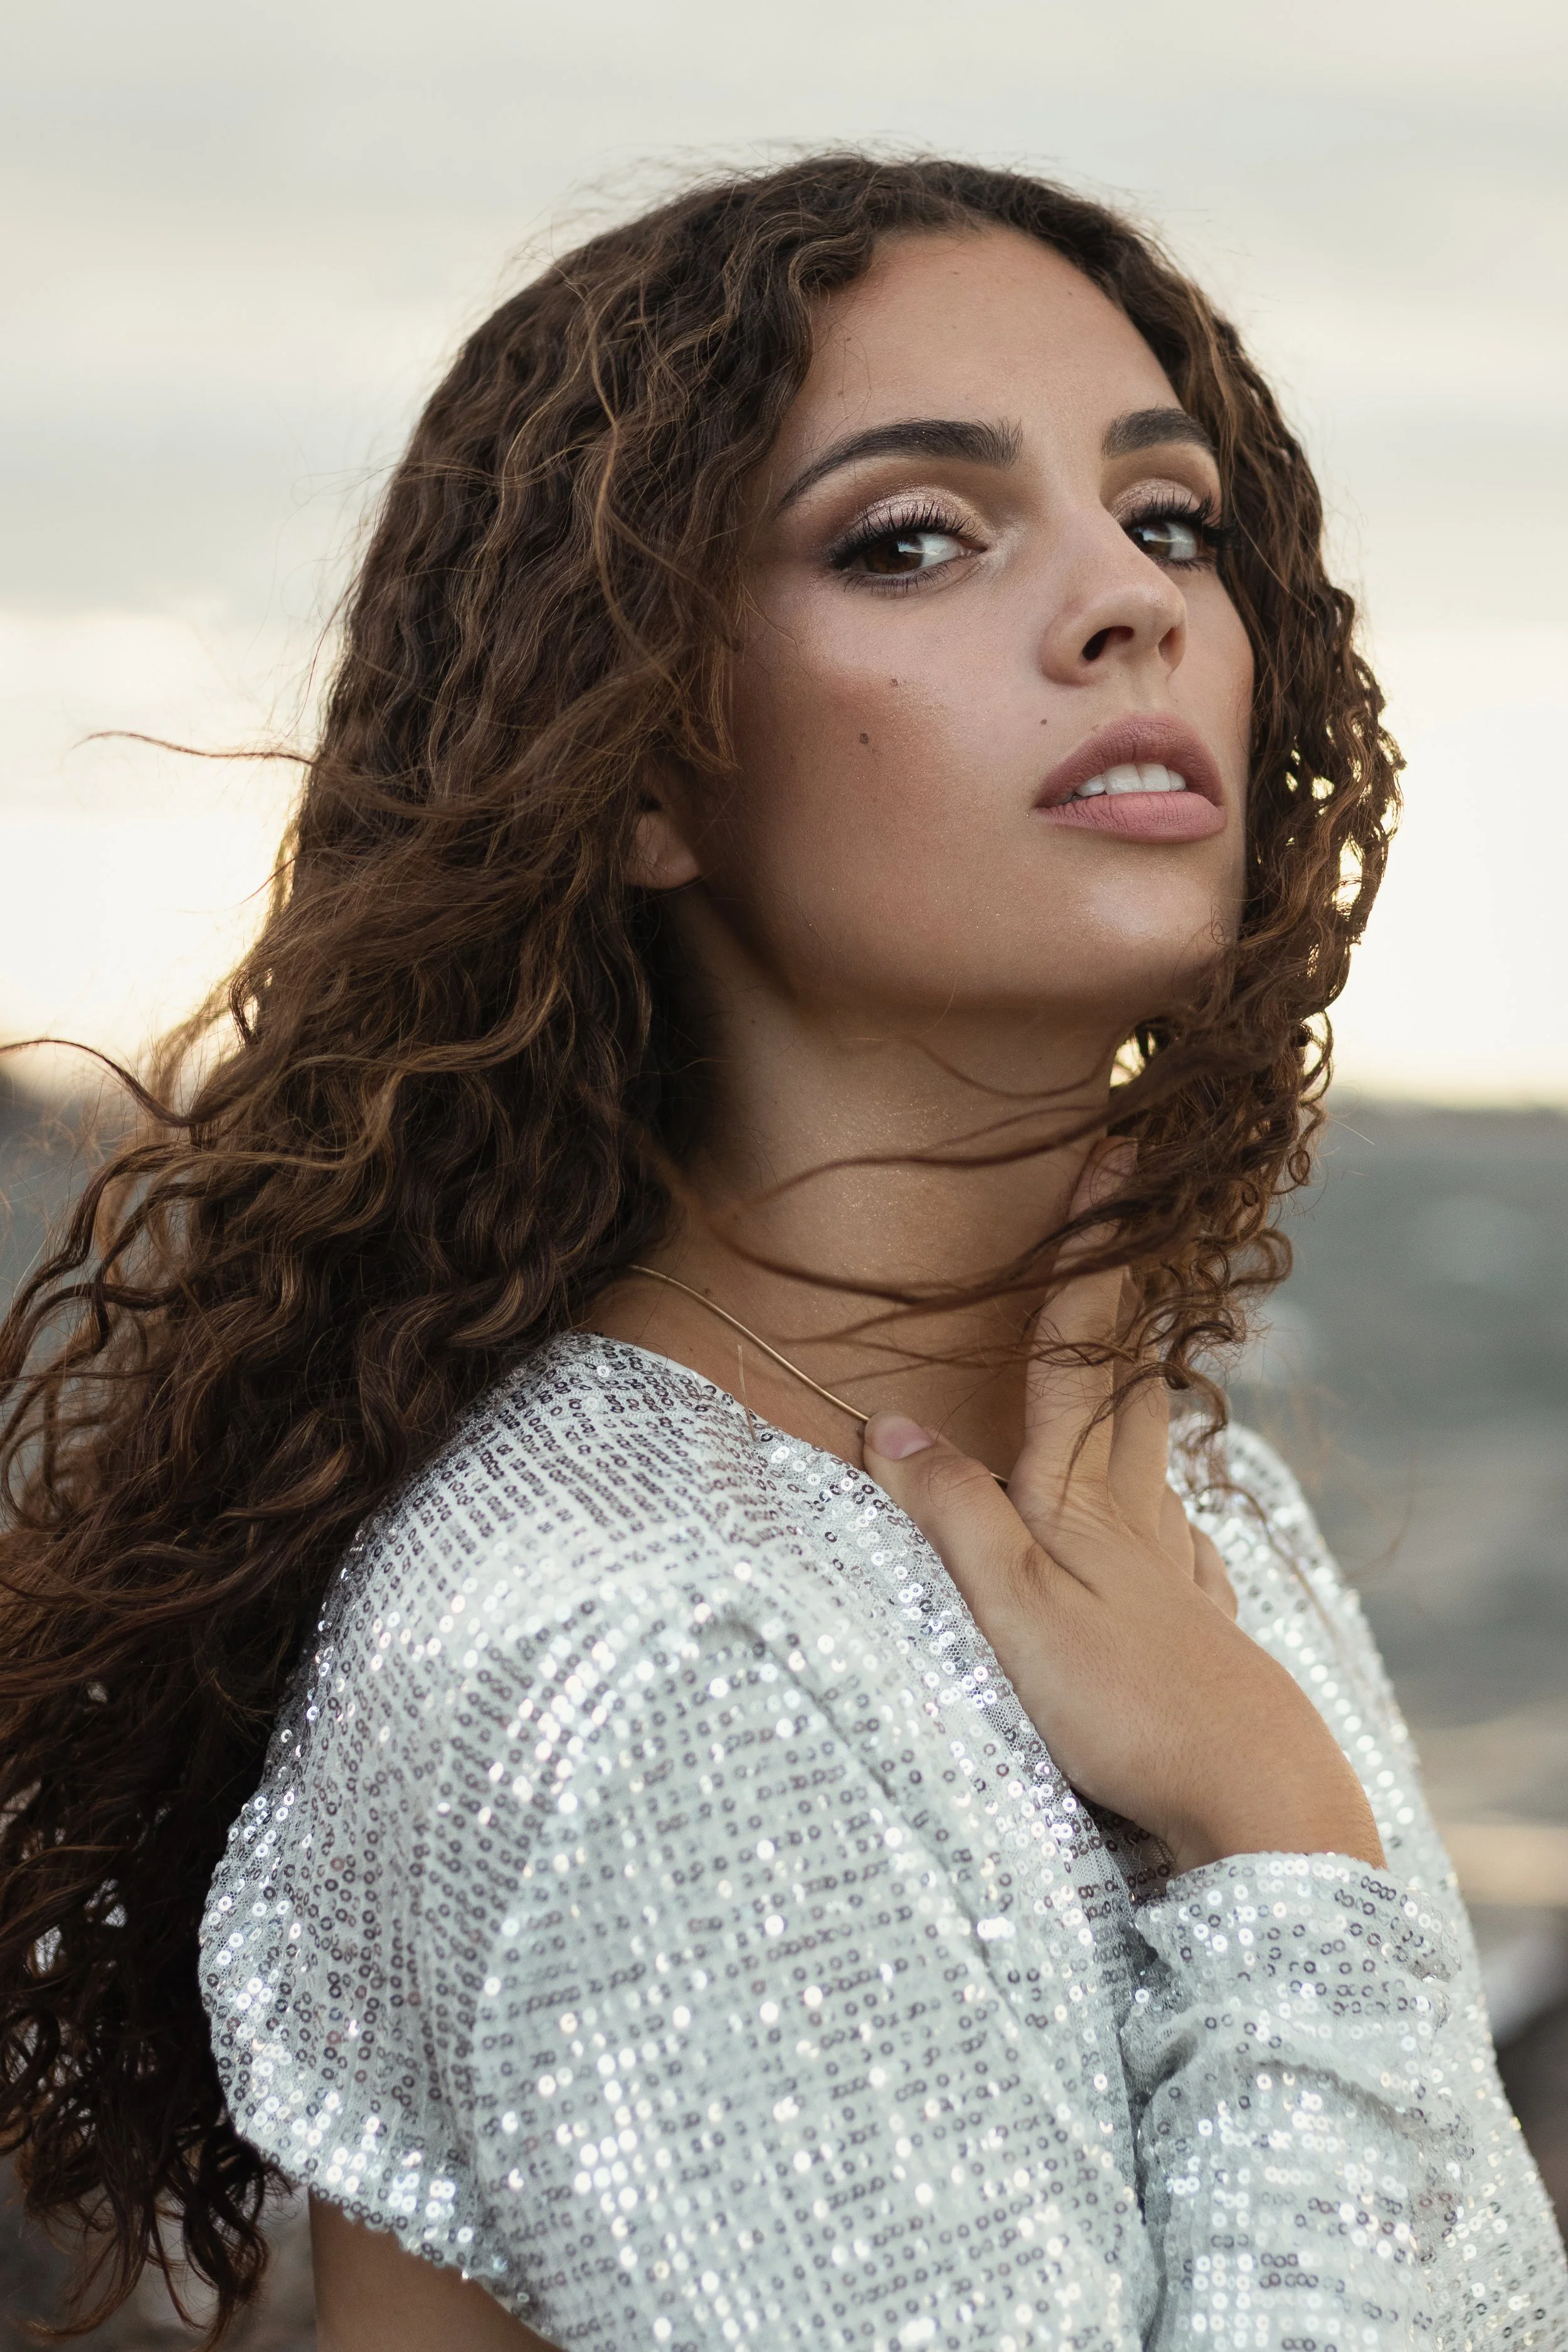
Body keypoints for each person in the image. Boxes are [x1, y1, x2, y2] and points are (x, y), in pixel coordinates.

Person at [0, 154, 1561, 2352]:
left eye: (1168, 519)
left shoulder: (1161, 1504)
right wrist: (1276, 1826)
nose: (1125, 602)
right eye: (908, 538)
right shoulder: (668, 1643)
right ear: (641, 761)